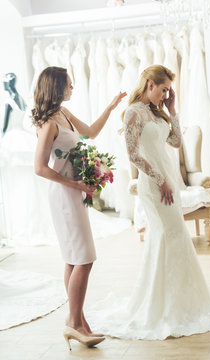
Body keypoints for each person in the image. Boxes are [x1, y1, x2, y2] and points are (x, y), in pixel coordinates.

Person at [88, 65, 210, 340]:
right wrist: (159, 180)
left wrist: (173, 109)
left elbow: (177, 142)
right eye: (163, 88)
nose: (165, 93)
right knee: (165, 236)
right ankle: (160, 305)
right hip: (154, 184)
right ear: (149, 84)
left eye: (168, 89)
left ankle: (181, 300)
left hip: (168, 181)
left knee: (176, 236)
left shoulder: (158, 112)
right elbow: (133, 155)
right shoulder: (133, 112)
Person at [33, 66, 126, 349]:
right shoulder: (49, 123)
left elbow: (91, 134)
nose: (73, 88)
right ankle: (74, 323)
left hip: (72, 193)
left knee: (74, 259)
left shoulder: (64, 114)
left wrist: (110, 107)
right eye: (69, 85)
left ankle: (79, 322)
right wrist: (76, 185)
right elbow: (39, 168)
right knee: (84, 258)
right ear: (57, 87)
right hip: (64, 195)